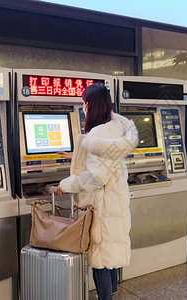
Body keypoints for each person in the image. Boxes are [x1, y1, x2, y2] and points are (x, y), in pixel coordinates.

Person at [55, 83, 138, 300]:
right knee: (109, 249)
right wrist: (72, 157)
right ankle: (113, 291)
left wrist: (65, 185)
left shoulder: (100, 132)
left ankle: (106, 297)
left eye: (84, 102)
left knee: (100, 256)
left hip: (104, 204)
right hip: (115, 199)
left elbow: (95, 177)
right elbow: (102, 161)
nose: (83, 106)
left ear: (90, 105)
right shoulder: (114, 125)